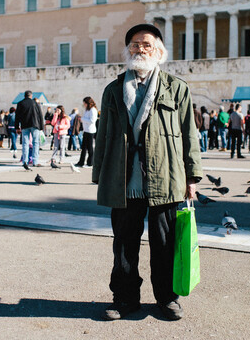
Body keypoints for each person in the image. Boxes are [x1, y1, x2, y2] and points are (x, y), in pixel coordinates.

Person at [92, 23, 202, 321]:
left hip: (165, 177)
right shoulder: (113, 90)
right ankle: (125, 298)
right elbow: (102, 135)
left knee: (164, 244)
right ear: (127, 51)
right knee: (124, 245)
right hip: (124, 179)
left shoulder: (177, 88)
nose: (140, 49)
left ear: (159, 51)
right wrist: (99, 175)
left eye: (147, 44)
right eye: (135, 44)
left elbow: (188, 134)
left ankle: (166, 298)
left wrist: (191, 177)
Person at [15, 90, 45, 167]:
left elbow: (17, 116)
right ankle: (35, 161)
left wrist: (17, 127)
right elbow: (40, 116)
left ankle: (25, 161)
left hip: (25, 125)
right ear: (31, 96)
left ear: (24, 96)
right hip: (35, 125)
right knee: (35, 143)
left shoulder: (20, 103)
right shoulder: (35, 103)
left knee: (25, 143)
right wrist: (41, 127)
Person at [76, 97, 98, 167]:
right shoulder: (87, 110)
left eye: (84, 103)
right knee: (84, 147)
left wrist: (82, 119)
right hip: (86, 130)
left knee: (89, 147)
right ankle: (81, 162)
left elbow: (92, 120)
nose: (84, 105)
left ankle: (90, 162)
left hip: (90, 131)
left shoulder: (93, 110)